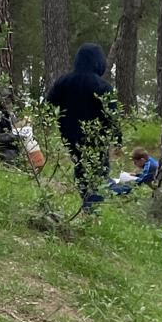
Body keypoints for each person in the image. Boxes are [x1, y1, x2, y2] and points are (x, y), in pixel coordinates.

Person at [44, 44, 120, 205]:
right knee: (98, 173)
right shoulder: (103, 87)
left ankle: (88, 205)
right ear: (99, 62)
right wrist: (118, 139)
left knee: (81, 169)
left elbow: (48, 106)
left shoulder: (63, 82)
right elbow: (113, 117)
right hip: (96, 140)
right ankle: (92, 209)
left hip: (70, 137)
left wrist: (46, 125)